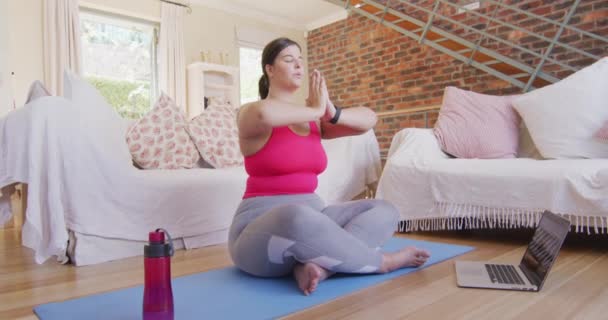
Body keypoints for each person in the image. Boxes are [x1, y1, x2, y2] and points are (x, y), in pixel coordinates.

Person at [228, 37, 430, 296]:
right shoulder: (250, 113)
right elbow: (265, 114)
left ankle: (319, 267)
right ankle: (381, 262)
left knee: (385, 210)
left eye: (301, 60)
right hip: (259, 240)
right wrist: (315, 109)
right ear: (269, 69)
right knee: (295, 215)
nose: (299, 66)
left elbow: (370, 119)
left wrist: (331, 112)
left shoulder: (314, 121)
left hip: (315, 218)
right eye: (289, 60)